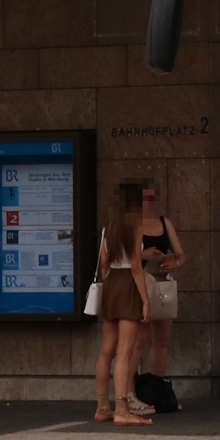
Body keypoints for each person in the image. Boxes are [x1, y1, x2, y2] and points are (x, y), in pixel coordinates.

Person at [93, 182, 154, 426]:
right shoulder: (135, 228)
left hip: (111, 283)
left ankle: (102, 407)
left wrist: (109, 284)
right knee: (124, 351)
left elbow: (104, 263)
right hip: (128, 283)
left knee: (106, 350)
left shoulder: (108, 228)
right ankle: (122, 409)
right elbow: (136, 266)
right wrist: (145, 300)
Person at [134, 179, 186, 412]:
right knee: (138, 340)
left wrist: (175, 262)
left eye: (152, 198)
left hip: (162, 282)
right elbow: (125, 255)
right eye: (145, 198)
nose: (149, 203)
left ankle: (156, 387)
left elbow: (181, 254)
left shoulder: (164, 222)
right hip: (142, 283)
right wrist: (143, 254)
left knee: (162, 340)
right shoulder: (134, 224)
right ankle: (130, 392)